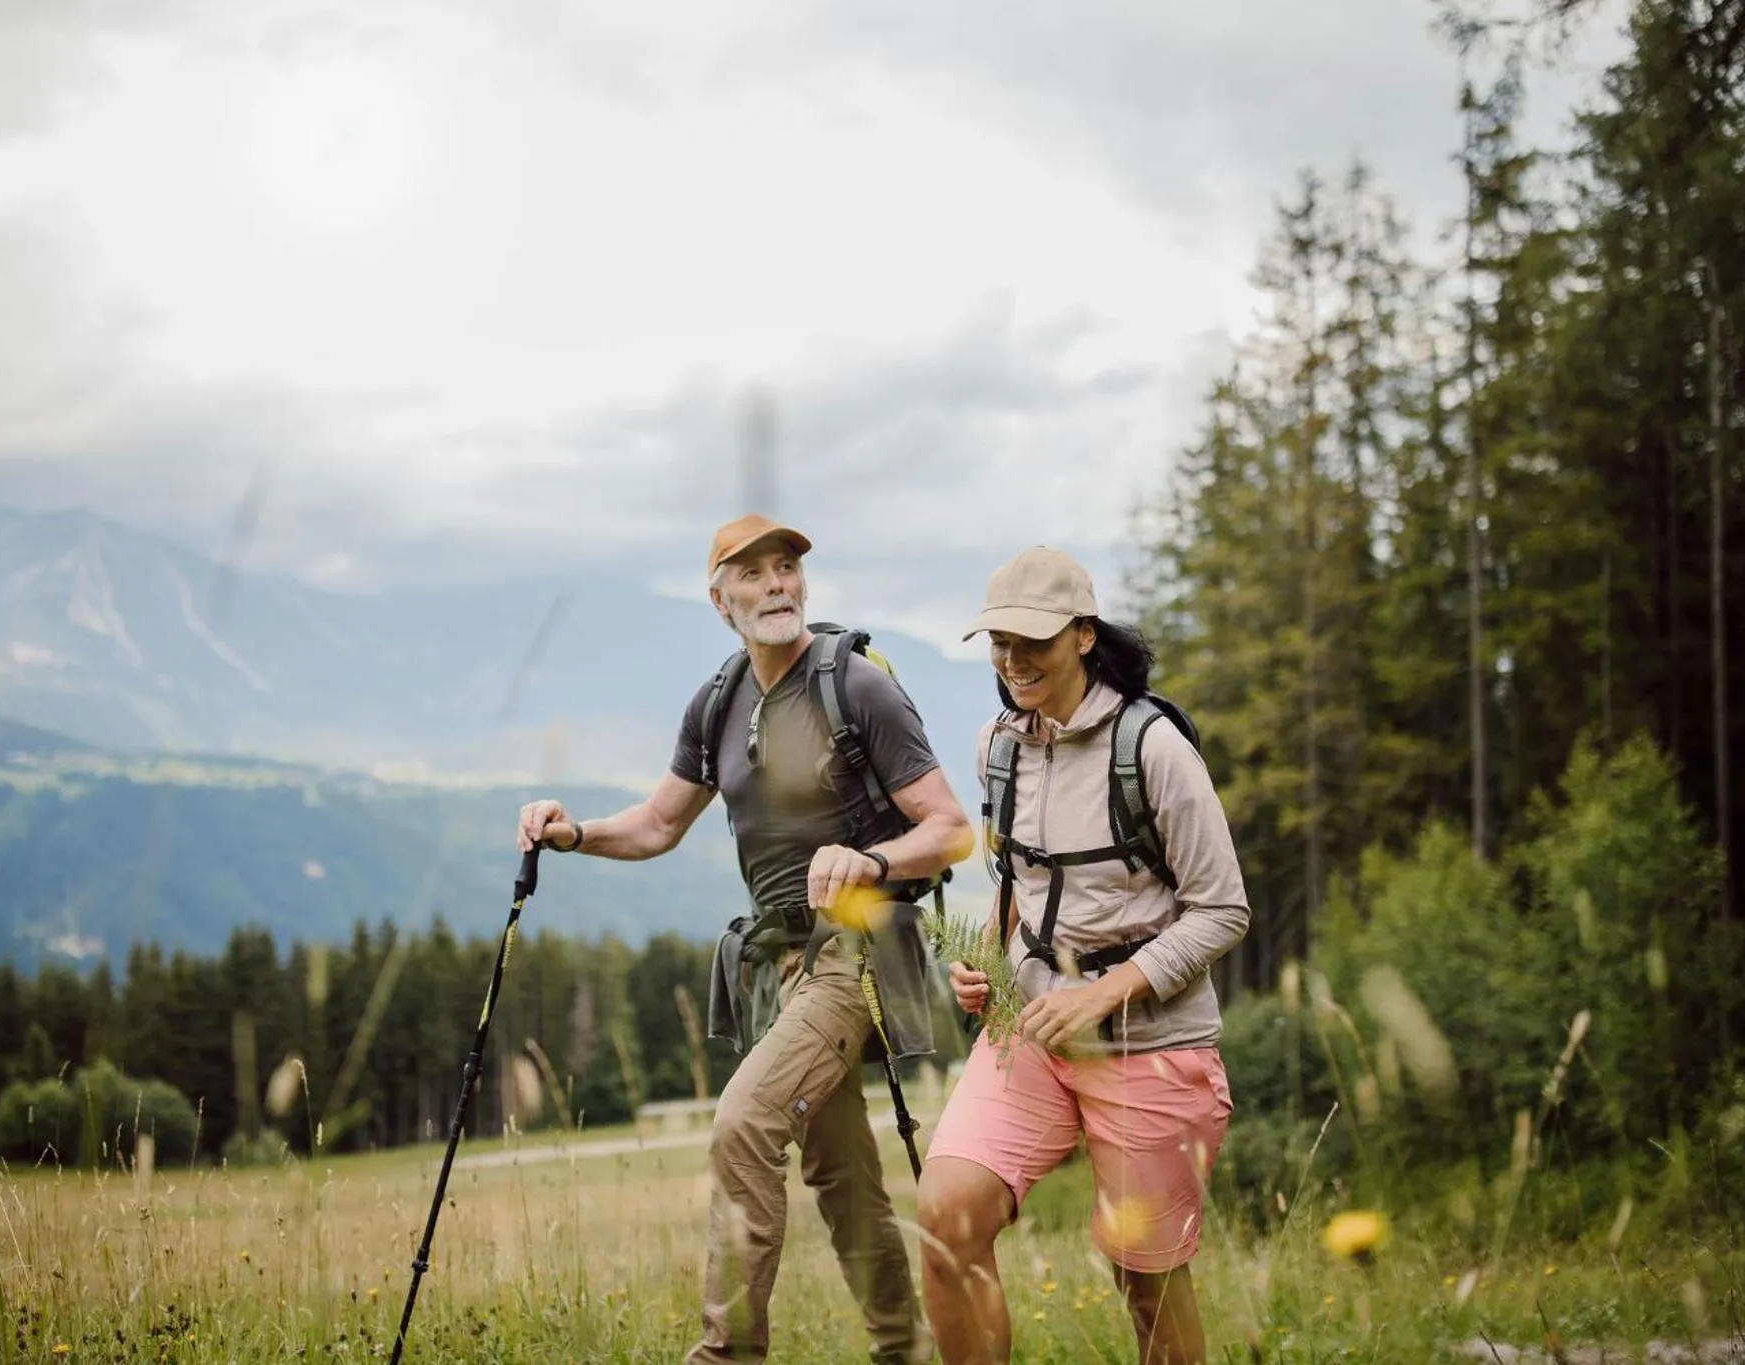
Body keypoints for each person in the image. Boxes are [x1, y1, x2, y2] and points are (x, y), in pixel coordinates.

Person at [515, 513, 974, 1365]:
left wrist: (869, 859)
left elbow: (949, 829)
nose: (777, 585)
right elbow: (658, 824)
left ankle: (727, 1356)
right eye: (754, 573)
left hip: (857, 952)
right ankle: (906, 1351)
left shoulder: (856, 685)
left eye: (788, 569)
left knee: (743, 1123)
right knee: (843, 1175)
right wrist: (573, 832)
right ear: (721, 599)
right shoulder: (719, 700)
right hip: (775, 966)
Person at [916, 546, 1249, 1365]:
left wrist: (1107, 994)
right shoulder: (999, 745)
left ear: (1085, 635)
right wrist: (985, 965)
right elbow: (1017, 882)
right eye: (998, 639)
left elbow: (1224, 908)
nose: (1012, 658)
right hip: (1030, 1030)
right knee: (948, 1211)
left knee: (1146, 1280)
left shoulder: (1155, 749)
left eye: (1032, 638)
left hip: (1152, 1044)